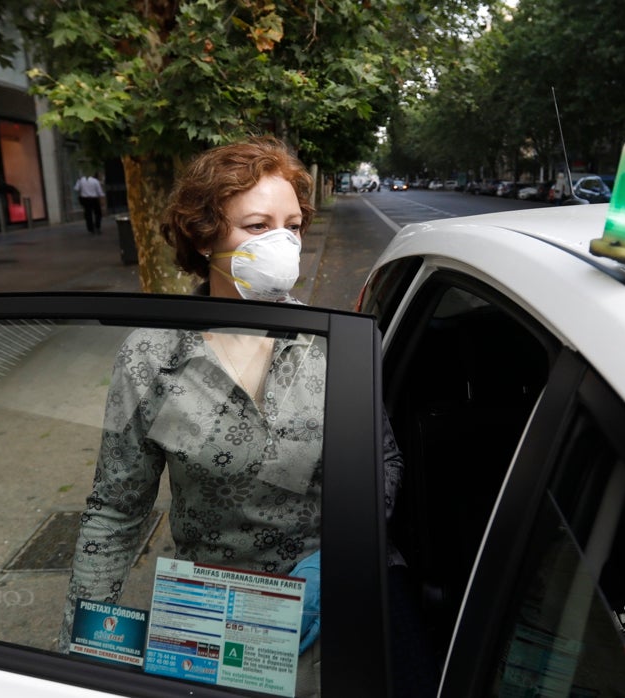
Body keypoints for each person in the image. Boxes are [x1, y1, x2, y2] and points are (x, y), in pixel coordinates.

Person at [58, 137, 405, 674]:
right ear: (202, 238)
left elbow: (383, 461)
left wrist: (338, 555)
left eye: (292, 226)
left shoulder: (334, 344)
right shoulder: (152, 355)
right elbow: (116, 509)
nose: (283, 244)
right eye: (257, 226)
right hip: (209, 615)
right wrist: (82, 647)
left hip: (333, 602)